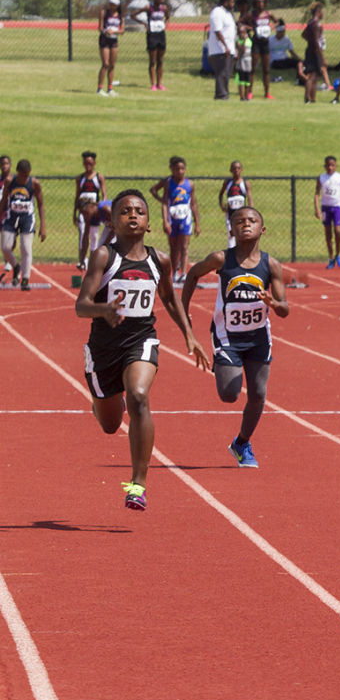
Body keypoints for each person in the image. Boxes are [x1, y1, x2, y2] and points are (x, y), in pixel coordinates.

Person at [74, 189, 209, 511]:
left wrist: (189, 334)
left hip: (141, 339)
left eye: (139, 211)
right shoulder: (104, 257)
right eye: (125, 211)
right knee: (109, 424)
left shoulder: (159, 259)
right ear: (112, 221)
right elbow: (81, 305)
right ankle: (104, 401)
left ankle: (138, 483)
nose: (132, 215)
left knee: (138, 395)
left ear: (149, 223)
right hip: (103, 347)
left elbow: (169, 298)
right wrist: (104, 309)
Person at [181, 207, 290, 468]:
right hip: (227, 335)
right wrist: (183, 311)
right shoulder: (221, 259)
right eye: (239, 221)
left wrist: (273, 302)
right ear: (231, 229)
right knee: (229, 394)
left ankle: (241, 443)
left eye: (252, 221)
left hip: (258, 337)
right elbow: (193, 273)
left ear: (262, 230)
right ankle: (223, 362)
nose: (246, 225)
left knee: (258, 394)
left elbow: (285, 310)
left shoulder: (271, 264)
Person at [150, 156, 199, 287]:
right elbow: (165, 202)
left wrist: (197, 223)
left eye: (182, 169)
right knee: (173, 247)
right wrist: (165, 221)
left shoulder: (190, 184)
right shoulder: (168, 183)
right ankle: (174, 272)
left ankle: (184, 273)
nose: (180, 171)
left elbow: (193, 203)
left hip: (185, 219)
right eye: (177, 169)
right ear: (172, 169)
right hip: (172, 219)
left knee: (184, 247)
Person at [1, 160, 47, 290]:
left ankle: (25, 279)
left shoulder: (34, 183)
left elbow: (41, 204)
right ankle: (16, 266)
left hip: (27, 218)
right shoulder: (10, 182)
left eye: (27, 175)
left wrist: (43, 226)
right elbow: (4, 200)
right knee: (5, 247)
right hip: (11, 217)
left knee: (26, 248)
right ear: (18, 172)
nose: (25, 177)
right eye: (23, 175)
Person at [314, 155, 340, 269]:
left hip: (337, 208)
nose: (330, 167)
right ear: (325, 166)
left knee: (338, 231)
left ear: (336, 166)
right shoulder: (321, 178)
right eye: (328, 165)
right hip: (326, 207)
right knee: (328, 234)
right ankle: (331, 257)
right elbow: (316, 194)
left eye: (332, 165)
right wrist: (317, 209)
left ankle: (338, 255)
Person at [131, 0, 170, 92]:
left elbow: (168, 17)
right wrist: (144, 24)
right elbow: (133, 15)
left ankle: (159, 83)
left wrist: (165, 24)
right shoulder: (149, 7)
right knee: (152, 61)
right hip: (152, 35)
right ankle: (153, 84)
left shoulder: (164, 8)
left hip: (161, 34)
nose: (162, 0)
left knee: (160, 60)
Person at [73, 150, 106, 265]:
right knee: (83, 233)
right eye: (86, 163)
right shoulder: (80, 178)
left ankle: (92, 260)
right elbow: (77, 195)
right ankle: (82, 260)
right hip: (83, 212)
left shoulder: (98, 177)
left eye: (90, 163)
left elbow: (104, 194)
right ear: (83, 164)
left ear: (94, 164)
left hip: (95, 212)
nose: (88, 166)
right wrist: (74, 213)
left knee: (94, 236)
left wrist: (101, 207)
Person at [247, 0, 281, 99]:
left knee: (266, 69)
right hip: (256, 42)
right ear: (255, 4)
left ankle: (267, 93)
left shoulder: (268, 14)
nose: (260, 4)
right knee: (253, 68)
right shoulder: (252, 14)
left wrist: (271, 27)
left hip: (265, 43)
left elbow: (277, 22)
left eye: (262, 3)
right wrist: (253, 28)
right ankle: (249, 91)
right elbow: (243, 23)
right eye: (258, 3)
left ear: (265, 4)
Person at [207, 0, 236, 100]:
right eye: (232, 2)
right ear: (225, 2)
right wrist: (225, 47)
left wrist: (233, 48)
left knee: (227, 74)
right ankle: (221, 95)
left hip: (229, 49)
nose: (233, 4)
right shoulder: (217, 12)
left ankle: (224, 94)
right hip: (219, 49)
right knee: (222, 73)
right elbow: (217, 31)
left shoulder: (228, 14)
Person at [218, 161, 253, 248]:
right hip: (230, 212)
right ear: (230, 170)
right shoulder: (227, 183)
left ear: (241, 170)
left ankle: (242, 253)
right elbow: (221, 194)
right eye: (234, 168)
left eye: (238, 168)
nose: (236, 170)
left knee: (242, 234)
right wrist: (222, 205)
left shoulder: (245, 183)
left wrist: (251, 211)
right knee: (231, 234)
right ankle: (231, 255)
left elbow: (249, 198)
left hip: (241, 213)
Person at [299, 3, 327, 105]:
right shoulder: (316, 24)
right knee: (312, 76)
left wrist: (309, 41)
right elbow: (316, 41)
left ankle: (313, 98)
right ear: (318, 12)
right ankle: (307, 97)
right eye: (321, 11)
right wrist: (322, 57)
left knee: (315, 76)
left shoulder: (310, 22)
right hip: (315, 52)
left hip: (309, 50)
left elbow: (304, 35)